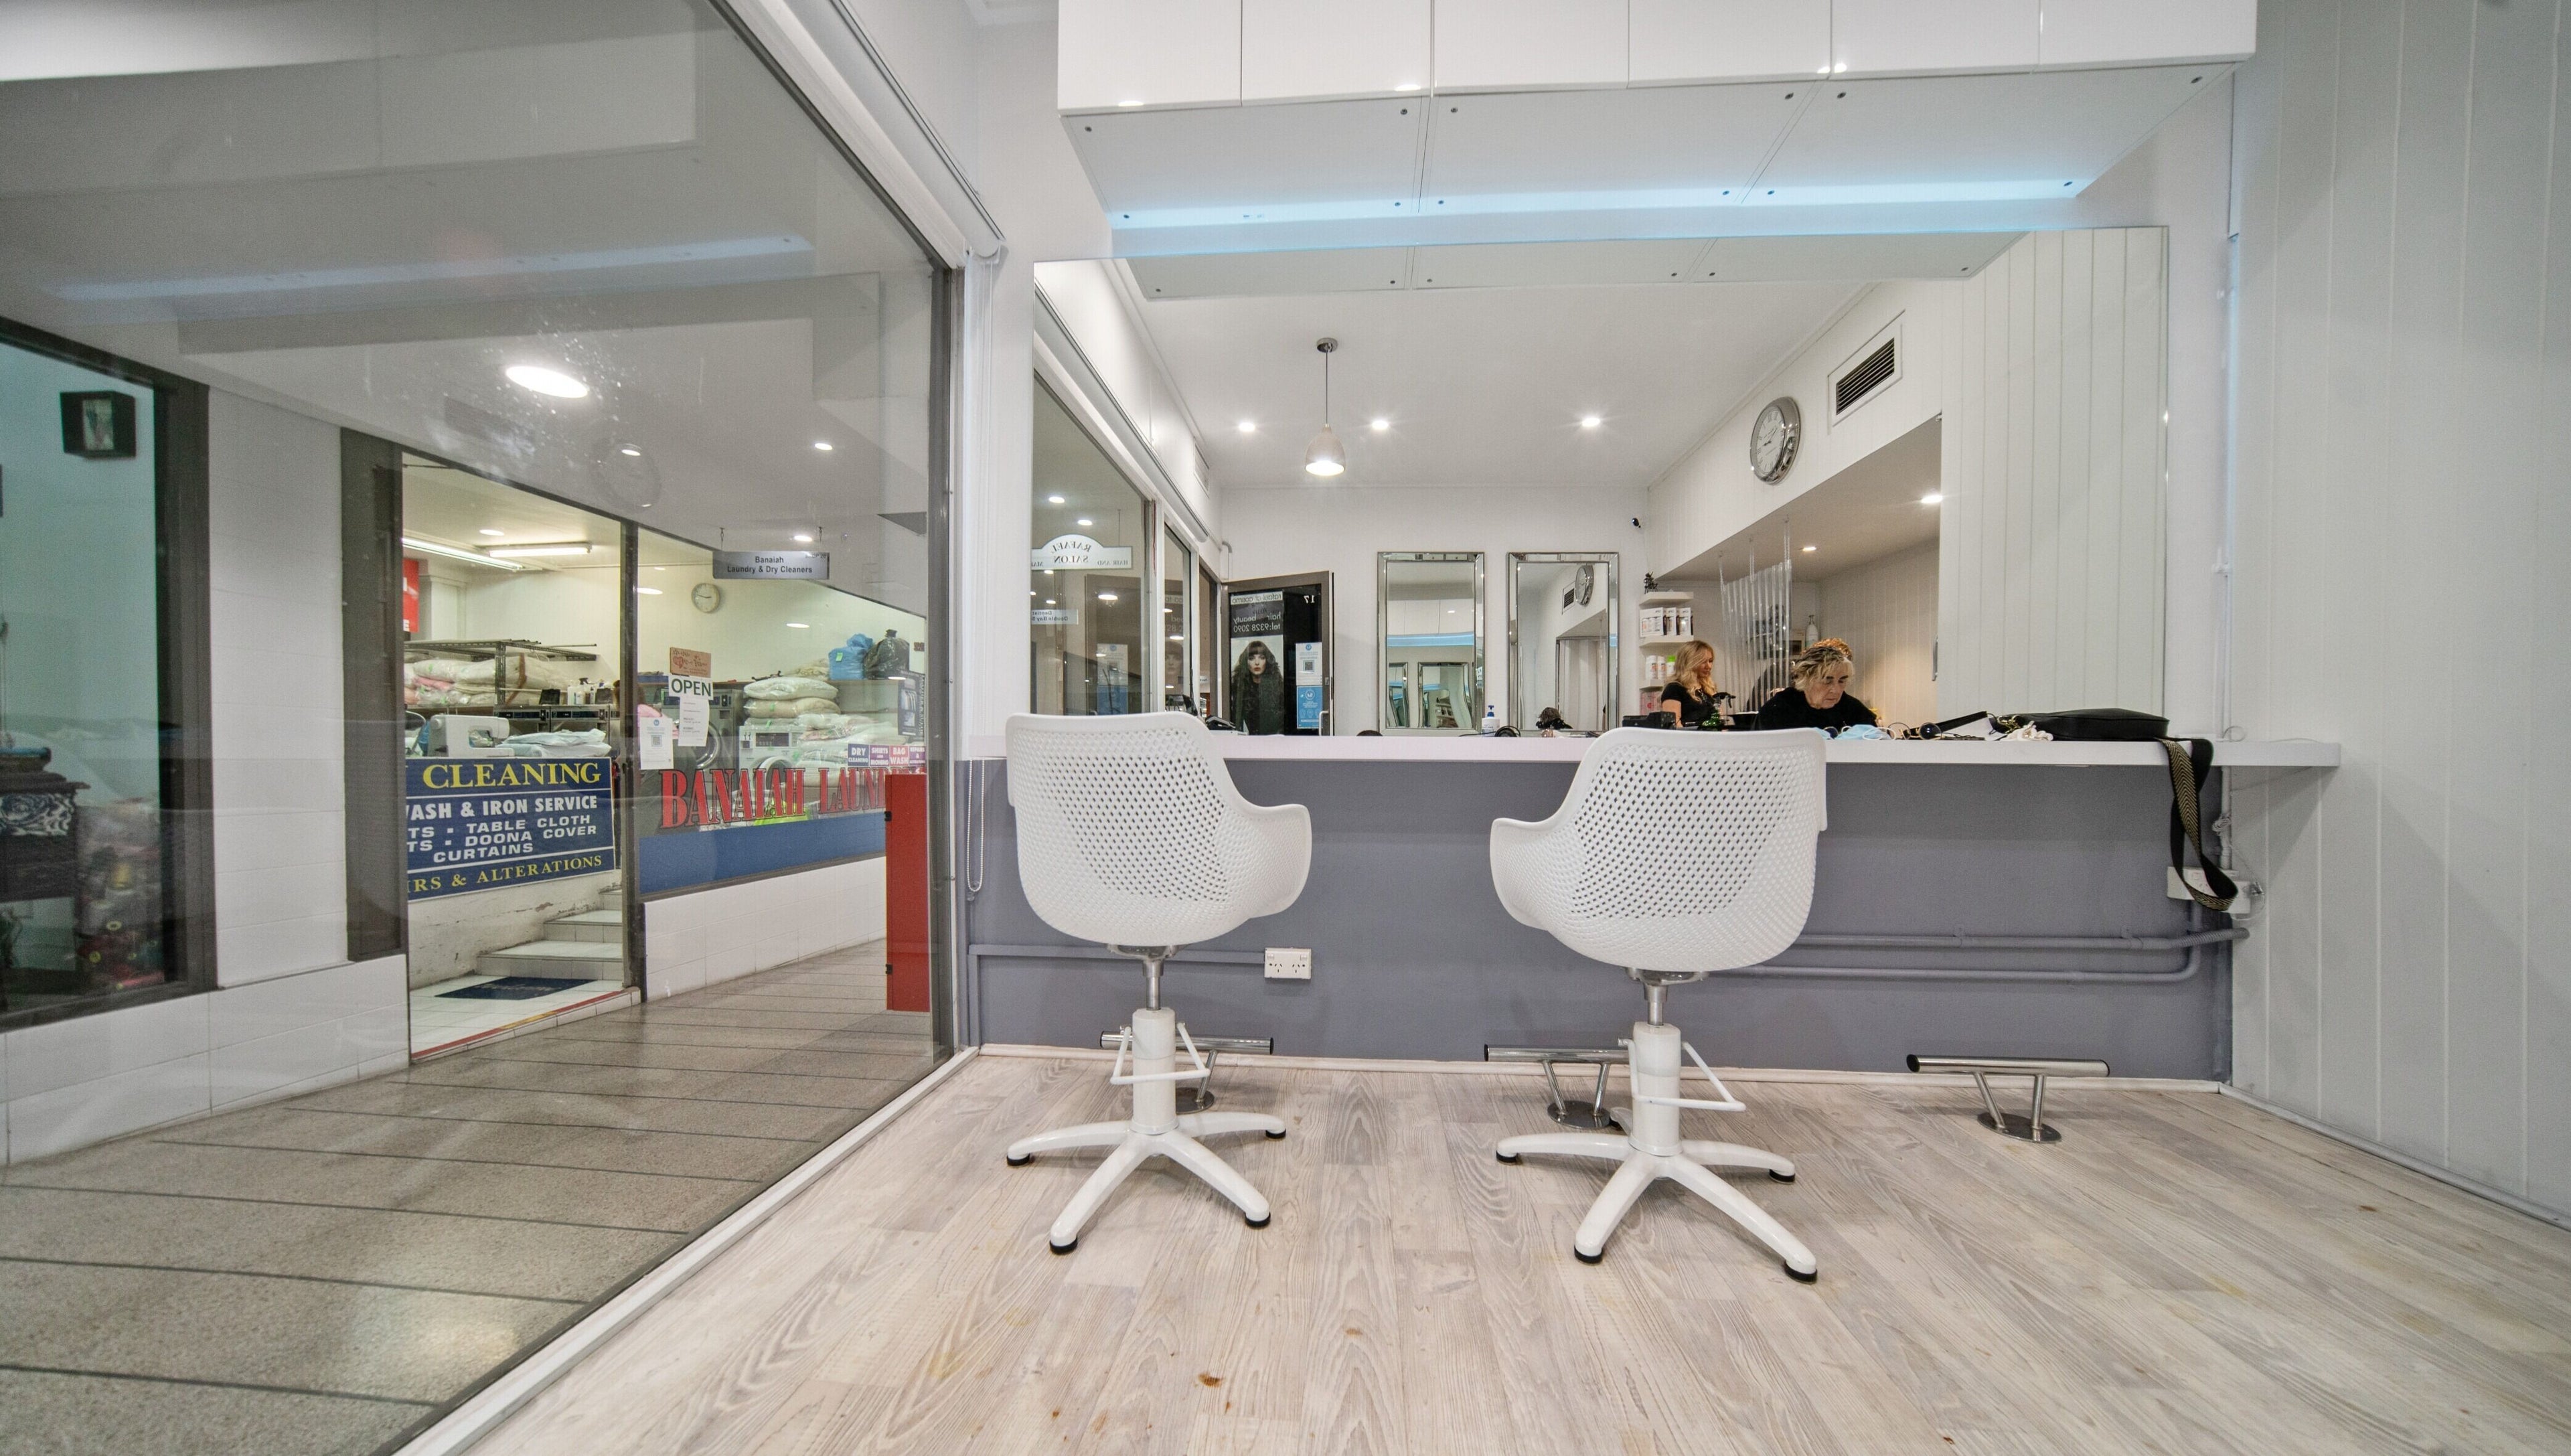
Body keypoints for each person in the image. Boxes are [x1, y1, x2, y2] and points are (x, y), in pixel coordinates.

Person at [1758, 639, 1878, 732]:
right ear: (1806, 679)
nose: (1836, 690)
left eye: (1842, 681)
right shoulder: (1779, 710)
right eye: (1827, 681)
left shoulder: (1854, 711)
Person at [1656, 640, 1723, 728]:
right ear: (1690, 663)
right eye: (1703, 662)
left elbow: (1721, 719)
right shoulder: (1674, 689)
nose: (1709, 667)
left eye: (1710, 661)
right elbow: (1673, 724)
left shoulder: (1709, 688)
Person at [1228, 640, 1287, 734]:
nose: (1257, 663)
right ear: (1246, 662)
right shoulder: (1241, 687)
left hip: (1277, 740)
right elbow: (1236, 720)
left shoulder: (1277, 685)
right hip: (1252, 742)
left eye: (1262, 658)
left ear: (1267, 661)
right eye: (1251, 658)